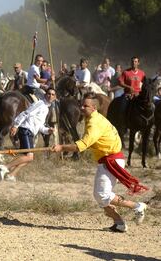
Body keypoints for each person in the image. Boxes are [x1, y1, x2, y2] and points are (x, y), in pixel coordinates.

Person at [51, 93, 148, 232]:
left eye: (86, 106)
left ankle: (137, 206)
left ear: (94, 107)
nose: (82, 108)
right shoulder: (92, 119)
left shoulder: (94, 124)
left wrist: (61, 147)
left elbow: (81, 146)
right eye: (81, 105)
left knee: (102, 195)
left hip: (111, 160)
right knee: (100, 196)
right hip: (108, 159)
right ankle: (119, 223)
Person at [0, 88, 56, 182]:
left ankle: (11, 175)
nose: (50, 96)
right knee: (29, 156)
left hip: (30, 132)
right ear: (45, 95)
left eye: (53, 94)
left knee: (29, 158)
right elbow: (26, 113)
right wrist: (16, 125)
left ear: (55, 97)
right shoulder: (40, 104)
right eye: (49, 94)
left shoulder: (46, 108)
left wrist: (47, 130)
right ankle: (5, 167)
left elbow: (40, 125)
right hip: (26, 130)